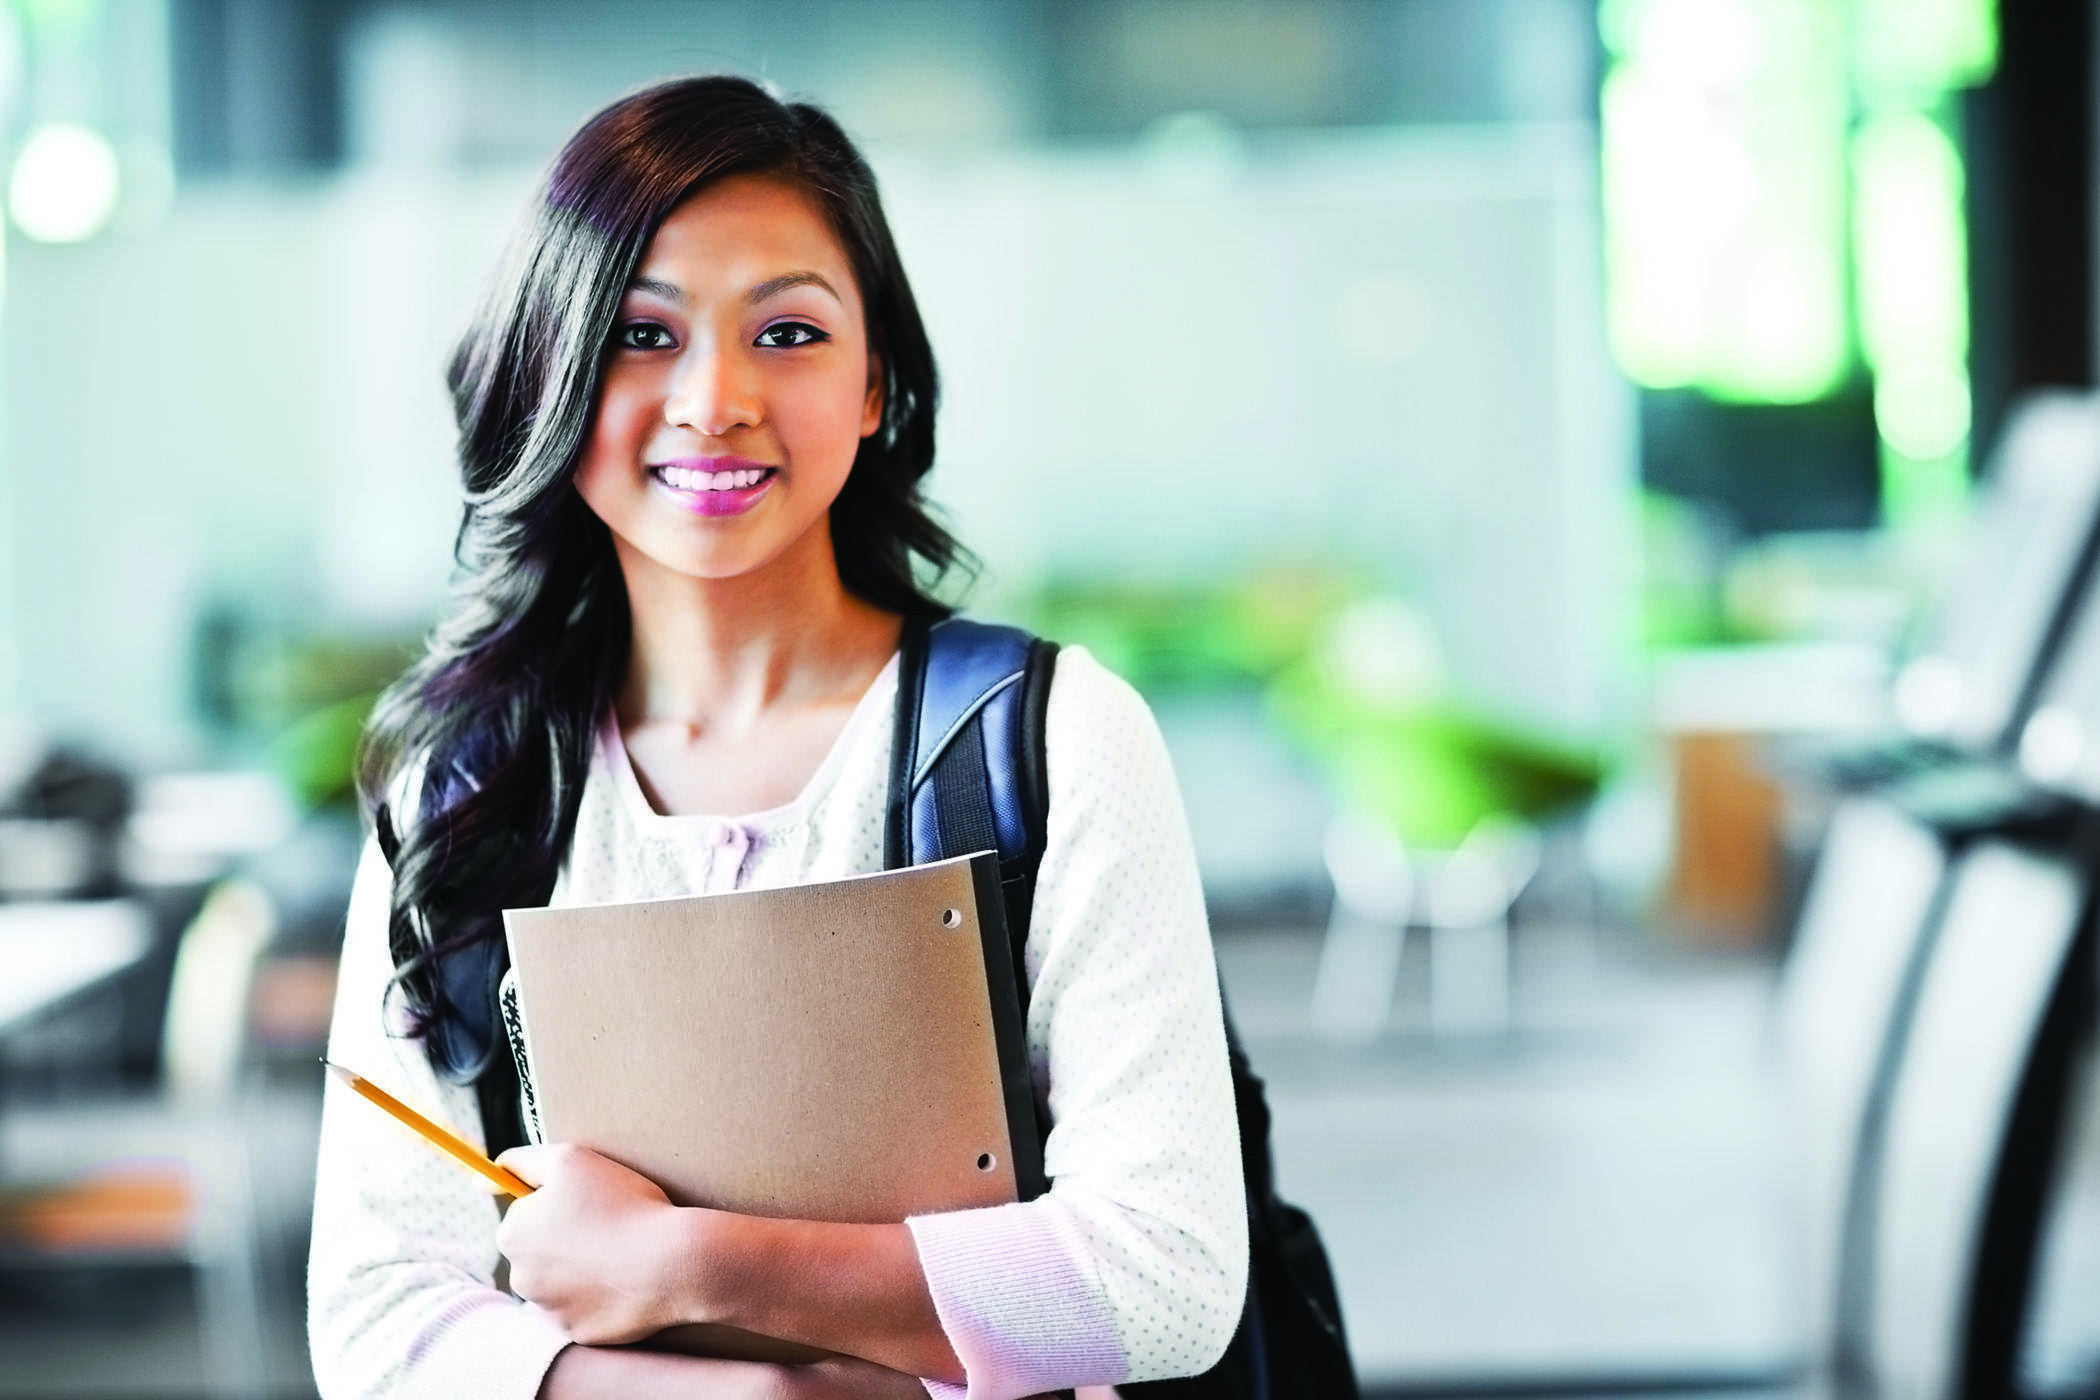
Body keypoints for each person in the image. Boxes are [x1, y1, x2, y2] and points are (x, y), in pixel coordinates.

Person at [307, 74, 1246, 1400]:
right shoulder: (464, 786)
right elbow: (374, 1317)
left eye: (790, 333)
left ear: (877, 386)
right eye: (642, 334)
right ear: (553, 375)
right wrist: (761, 1398)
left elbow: (1167, 1279)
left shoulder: (1049, 737)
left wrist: (689, 1265)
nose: (716, 399)